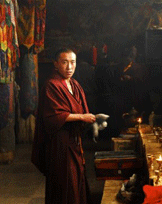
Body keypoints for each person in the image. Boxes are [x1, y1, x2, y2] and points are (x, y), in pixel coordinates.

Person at [31, 48, 96, 204]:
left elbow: (81, 110)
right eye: (64, 62)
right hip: (59, 143)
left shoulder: (74, 84)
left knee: (76, 180)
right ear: (56, 64)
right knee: (65, 182)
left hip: (74, 141)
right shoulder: (51, 85)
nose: (69, 67)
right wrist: (82, 117)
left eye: (72, 62)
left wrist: (90, 120)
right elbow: (53, 116)